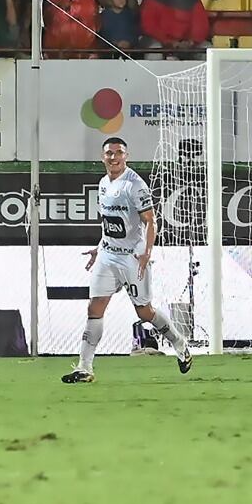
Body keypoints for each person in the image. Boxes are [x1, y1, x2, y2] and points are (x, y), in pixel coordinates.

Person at [62, 137, 192, 383]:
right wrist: (99, 248)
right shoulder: (103, 183)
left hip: (132, 258)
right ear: (103, 158)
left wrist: (147, 253)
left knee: (145, 312)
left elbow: (150, 221)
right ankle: (84, 368)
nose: (113, 157)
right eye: (109, 153)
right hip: (108, 256)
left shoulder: (135, 185)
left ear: (126, 156)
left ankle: (179, 343)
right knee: (95, 307)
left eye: (118, 153)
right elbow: (109, 224)